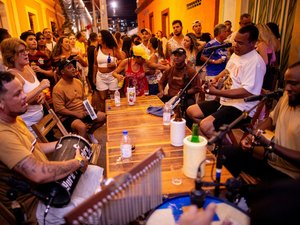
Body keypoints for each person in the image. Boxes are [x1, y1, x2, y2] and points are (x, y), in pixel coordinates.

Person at [0, 71, 102, 224]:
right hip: (35, 204)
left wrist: (68, 141)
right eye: (17, 94)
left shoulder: (15, 119)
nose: (24, 96)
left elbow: (35, 146)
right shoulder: (2, 134)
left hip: (48, 188)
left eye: (22, 90)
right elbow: (39, 174)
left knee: (95, 174)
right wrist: (77, 162)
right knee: (92, 209)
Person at [222, 61, 300, 181]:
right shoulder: (287, 97)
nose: (287, 88)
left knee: (258, 195)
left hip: (289, 175)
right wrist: (252, 136)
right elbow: (271, 119)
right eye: (286, 83)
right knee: (226, 154)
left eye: (293, 83)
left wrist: (270, 145)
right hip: (269, 160)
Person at [186, 25, 266, 138]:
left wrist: (216, 92)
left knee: (205, 125)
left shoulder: (255, 63)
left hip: (241, 108)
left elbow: (247, 91)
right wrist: (216, 78)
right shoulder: (236, 54)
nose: (235, 45)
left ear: (253, 43)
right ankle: (220, 135)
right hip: (225, 101)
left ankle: (226, 146)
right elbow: (227, 70)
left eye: (240, 43)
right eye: (235, 41)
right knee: (191, 111)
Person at [1, 37, 50, 135]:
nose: (26, 53)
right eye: (21, 51)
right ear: (11, 56)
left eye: (26, 50)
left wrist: (42, 94)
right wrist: (41, 87)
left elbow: (34, 92)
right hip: (27, 125)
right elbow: (19, 100)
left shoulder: (28, 68)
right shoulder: (12, 75)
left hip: (39, 121)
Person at [52, 59, 106, 143]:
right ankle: (81, 150)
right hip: (68, 116)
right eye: (69, 67)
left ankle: (90, 133)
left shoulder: (78, 82)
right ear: (62, 72)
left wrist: (89, 109)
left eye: (73, 66)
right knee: (81, 127)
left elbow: (84, 99)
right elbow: (59, 109)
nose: (73, 69)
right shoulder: (57, 88)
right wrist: (76, 114)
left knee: (103, 116)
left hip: (82, 111)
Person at [93, 29, 125, 112]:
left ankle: (114, 113)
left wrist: (115, 64)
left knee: (113, 97)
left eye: (100, 36)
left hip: (113, 76)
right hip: (100, 76)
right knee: (102, 98)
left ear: (105, 38)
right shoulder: (96, 50)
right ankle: (105, 115)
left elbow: (123, 60)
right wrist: (93, 78)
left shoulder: (114, 49)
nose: (97, 38)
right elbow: (95, 64)